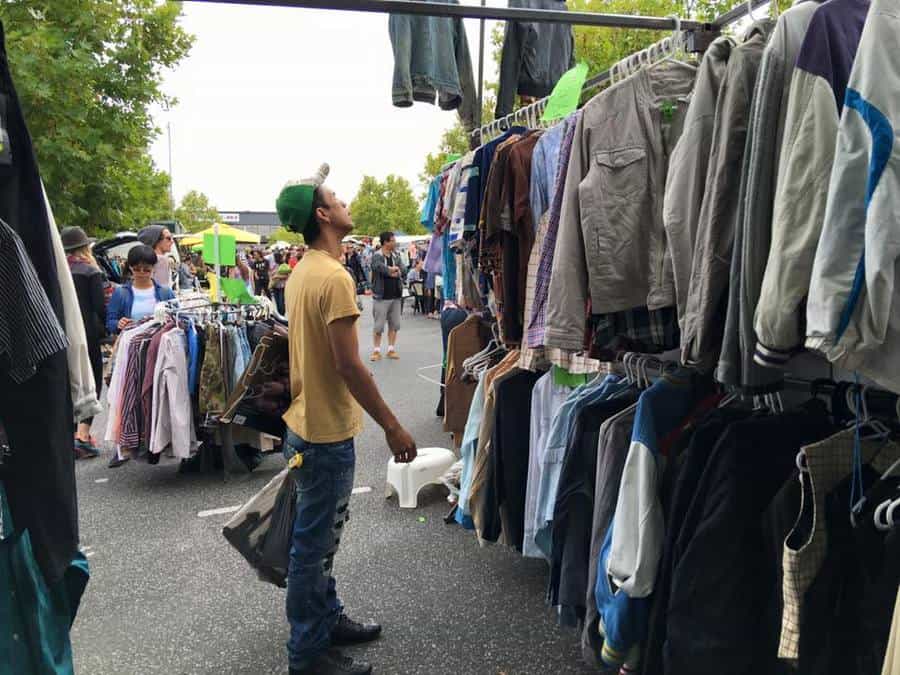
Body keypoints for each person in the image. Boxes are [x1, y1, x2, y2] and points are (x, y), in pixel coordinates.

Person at [275, 165, 417, 675]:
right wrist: (393, 426)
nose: (345, 204)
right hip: (324, 433)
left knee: (320, 538)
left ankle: (326, 619)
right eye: (337, 199)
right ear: (322, 215)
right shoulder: (333, 277)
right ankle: (307, 654)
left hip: (304, 424)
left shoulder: (303, 270)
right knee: (313, 548)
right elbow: (349, 364)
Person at [61, 226, 105, 460]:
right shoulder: (89, 271)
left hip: (60, 334)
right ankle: (83, 435)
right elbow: (99, 306)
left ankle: (68, 435)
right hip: (87, 334)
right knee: (91, 381)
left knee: (68, 382)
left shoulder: (56, 271)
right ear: (85, 247)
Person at [106, 244, 176, 334]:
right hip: (131, 340)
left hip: (160, 341)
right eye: (136, 269)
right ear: (130, 267)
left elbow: (178, 319)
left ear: (153, 268)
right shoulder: (120, 293)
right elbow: (110, 322)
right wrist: (118, 324)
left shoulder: (166, 293)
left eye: (147, 270)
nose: (141, 273)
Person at [370, 231, 406, 361]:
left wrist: (398, 271)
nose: (395, 242)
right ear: (386, 242)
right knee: (379, 326)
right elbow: (377, 267)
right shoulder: (377, 255)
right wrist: (391, 270)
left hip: (396, 295)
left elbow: (404, 269)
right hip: (381, 296)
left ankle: (391, 349)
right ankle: (376, 351)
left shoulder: (396, 255)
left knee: (394, 324)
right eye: (393, 240)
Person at [137, 224, 175, 289]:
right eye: (168, 238)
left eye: (172, 238)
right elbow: (162, 289)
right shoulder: (161, 259)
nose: (172, 241)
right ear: (156, 240)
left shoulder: (146, 259)